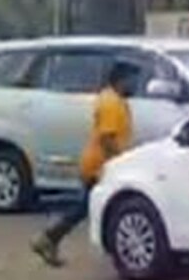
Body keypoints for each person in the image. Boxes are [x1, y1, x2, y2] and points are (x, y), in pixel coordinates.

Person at [31, 61, 138, 267]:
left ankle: (49, 239)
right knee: (86, 207)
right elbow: (107, 139)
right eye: (132, 80)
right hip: (100, 164)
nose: (135, 84)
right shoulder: (111, 103)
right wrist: (119, 164)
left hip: (99, 162)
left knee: (84, 207)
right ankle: (48, 238)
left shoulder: (113, 99)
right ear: (121, 80)